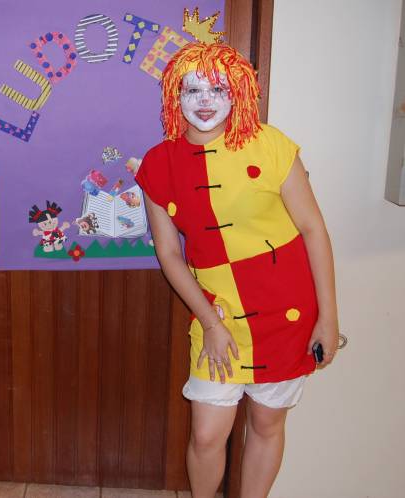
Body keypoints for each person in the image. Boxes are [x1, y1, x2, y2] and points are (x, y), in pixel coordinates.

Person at [135, 42, 339, 498]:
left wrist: (329, 318)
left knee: (266, 424)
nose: (205, 100)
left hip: (286, 310)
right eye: (193, 89)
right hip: (217, 313)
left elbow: (313, 230)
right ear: (175, 95)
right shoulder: (158, 164)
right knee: (207, 434)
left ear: (239, 92)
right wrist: (210, 323)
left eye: (218, 88)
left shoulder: (271, 144)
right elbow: (169, 254)